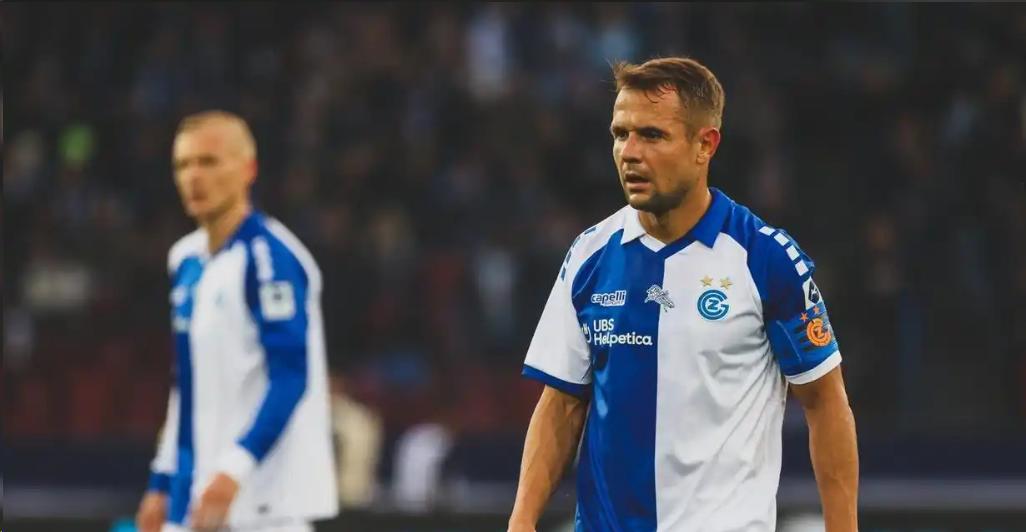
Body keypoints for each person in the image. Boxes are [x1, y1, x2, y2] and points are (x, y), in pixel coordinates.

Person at [508, 57, 858, 531]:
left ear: (705, 145)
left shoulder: (765, 259)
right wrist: (521, 521)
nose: (630, 152)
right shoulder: (590, 254)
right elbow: (562, 402)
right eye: (620, 134)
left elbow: (825, 402)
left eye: (652, 135)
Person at [135, 111, 338, 532]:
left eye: (209, 162)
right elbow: (186, 384)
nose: (194, 177)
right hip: (196, 499)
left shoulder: (271, 259)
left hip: (265, 506)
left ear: (249, 169)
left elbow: (290, 376)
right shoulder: (186, 260)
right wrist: (162, 480)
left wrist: (235, 467)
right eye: (183, 165)